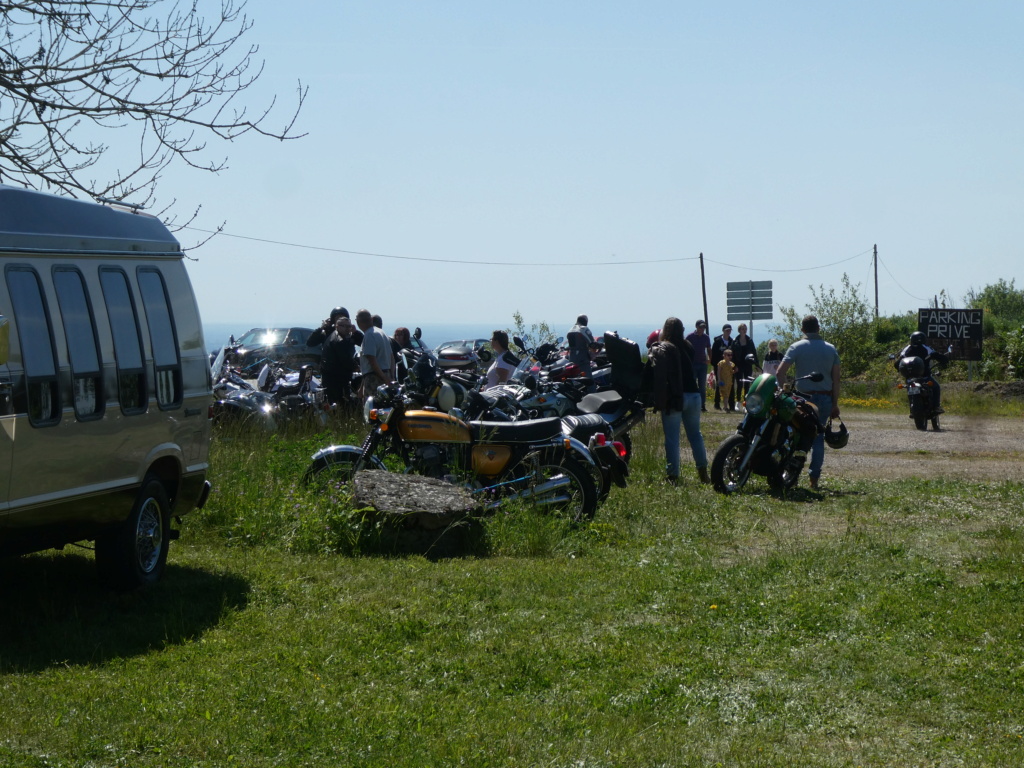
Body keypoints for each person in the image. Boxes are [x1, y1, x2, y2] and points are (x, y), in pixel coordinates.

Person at [775, 315, 841, 491]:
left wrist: (783, 392)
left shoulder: (796, 347)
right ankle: (814, 479)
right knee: (818, 438)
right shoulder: (831, 349)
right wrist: (835, 404)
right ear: (818, 328)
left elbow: (780, 373)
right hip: (826, 398)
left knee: (794, 437)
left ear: (803, 329)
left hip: (802, 399)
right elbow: (836, 379)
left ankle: (791, 475)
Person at [646, 317, 708, 485]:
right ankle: (703, 472)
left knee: (672, 439)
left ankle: (673, 475)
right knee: (695, 435)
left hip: (675, 397)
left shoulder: (665, 347)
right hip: (694, 395)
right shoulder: (688, 345)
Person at [895, 331, 948, 413]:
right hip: (925, 376)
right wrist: (944, 359)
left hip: (910, 377)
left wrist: (898, 368)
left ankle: (912, 408)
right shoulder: (926, 348)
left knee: (909, 388)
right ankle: (936, 407)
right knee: (936, 387)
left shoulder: (907, 349)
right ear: (923, 339)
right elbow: (937, 355)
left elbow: (898, 362)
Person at [355, 308, 393, 400]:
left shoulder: (369, 335)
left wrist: (383, 378)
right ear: (371, 319)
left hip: (375, 377)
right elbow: (391, 357)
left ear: (357, 322)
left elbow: (372, 360)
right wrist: (391, 377)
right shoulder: (382, 332)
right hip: (386, 373)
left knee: (373, 409)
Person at [321, 315, 357, 407]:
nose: (347, 328)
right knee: (339, 404)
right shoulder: (338, 340)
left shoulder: (344, 337)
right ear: (337, 326)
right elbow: (346, 360)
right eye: (343, 326)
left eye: (349, 326)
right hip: (335, 378)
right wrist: (358, 368)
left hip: (336, 376)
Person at [685, 319, 712, 412]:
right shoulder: (690, 336)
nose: (702, 329)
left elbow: (709, 348)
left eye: (704, 327)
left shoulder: (706, 337)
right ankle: (691, 404)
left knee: (702, 385)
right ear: (696, 327)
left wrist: (709, 359)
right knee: (691, 384)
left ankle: (702, 405)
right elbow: (685, 348)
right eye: (701, 327)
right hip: (692, 364)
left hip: (703, 364)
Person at [730, 323, 758, 403]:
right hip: (738, 365)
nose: (744, 330)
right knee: (739, 384)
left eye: (745, 329)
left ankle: (746, 402)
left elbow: (754, 352)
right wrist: (734, 366)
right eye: (742, 329)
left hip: (748, 364)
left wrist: (756, 363)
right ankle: (738, 401)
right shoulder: (735, 341)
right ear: (739, 330)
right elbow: (732, 354)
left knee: (747, 384)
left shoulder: (749, 340)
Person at [710, 323, 734, 410]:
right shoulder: (717, 342)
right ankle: (717, 404)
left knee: (729, 385)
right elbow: (713, 354)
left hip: (729, 367)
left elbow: (734, 355)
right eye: (727, 330)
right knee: (719, 384)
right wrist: (715, 365)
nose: (728, 332)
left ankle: (731, 405)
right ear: (723, 331)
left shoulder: (732, 342)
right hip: (719, 366)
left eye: (730, 330)